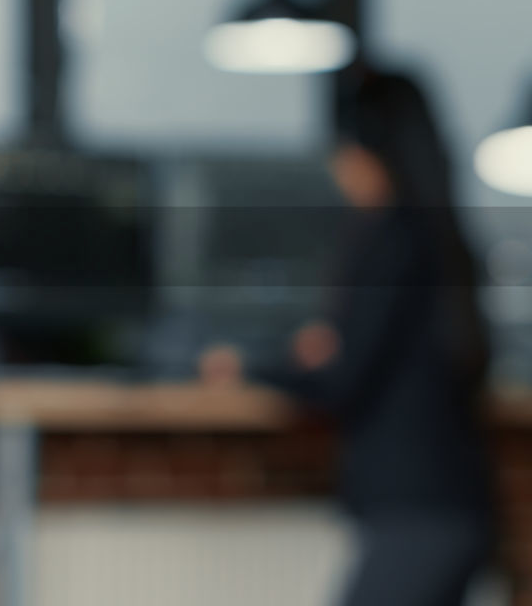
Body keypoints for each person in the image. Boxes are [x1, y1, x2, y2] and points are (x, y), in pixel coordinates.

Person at [202, 69, 495, 606]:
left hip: (418, 512)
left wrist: (250, 368)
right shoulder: (433, 239)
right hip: (443, 507)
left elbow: (343, 379)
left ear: (370, 154)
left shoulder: (391, 241)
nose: (338, 167)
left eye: (343, 150)